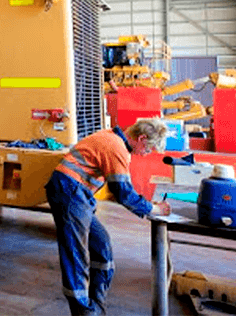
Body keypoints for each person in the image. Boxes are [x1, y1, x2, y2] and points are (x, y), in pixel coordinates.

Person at [45, 117, 172, 316]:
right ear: (141, 138)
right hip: (69, 193)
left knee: (101, 245)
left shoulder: (113, 138)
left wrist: (148, 205)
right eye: (148, 149)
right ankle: (84, 312)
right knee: (75, 256)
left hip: (77, 194)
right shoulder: (116, 147)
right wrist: (154, 210)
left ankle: (97, 306)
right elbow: (123, 192)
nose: (146, 154)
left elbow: (123, 188)